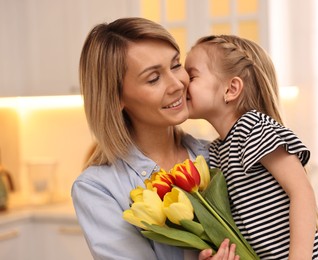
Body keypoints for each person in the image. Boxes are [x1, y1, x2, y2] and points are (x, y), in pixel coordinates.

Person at [72, 18, 239, 260]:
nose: (177, 84)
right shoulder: (98, 189)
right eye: (153, 79)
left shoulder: (217, 155)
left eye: (175, 65)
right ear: (116, 97)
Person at [185, 35, 318, 259]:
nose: (182, 82)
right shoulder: (216, 152)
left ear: (231, 89)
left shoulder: (253, 128)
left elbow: (301, 192)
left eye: (192, 75)